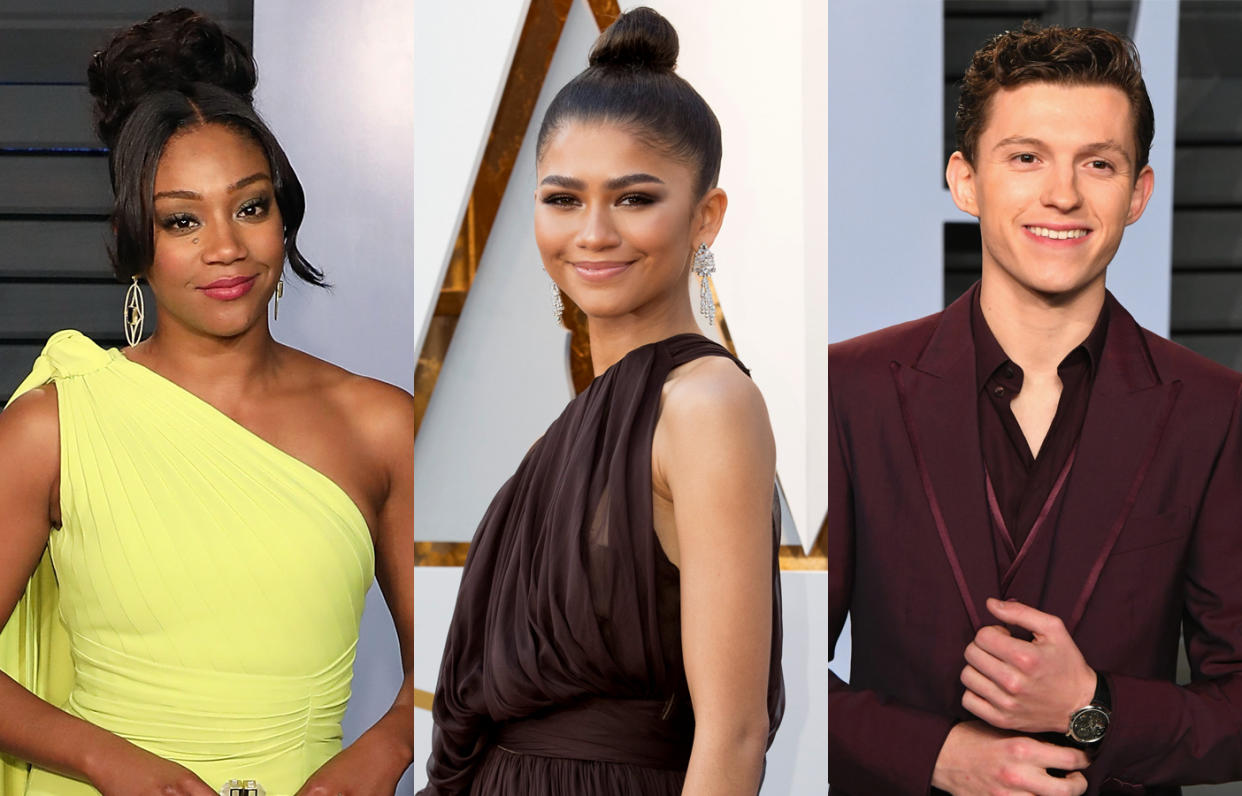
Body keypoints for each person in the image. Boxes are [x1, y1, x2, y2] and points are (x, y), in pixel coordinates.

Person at [0, 9, 413, 796]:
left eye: (250, 207)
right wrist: (105, 758)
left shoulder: (380, 424)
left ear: (282, 220)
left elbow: (457, 662)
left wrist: (380, 754)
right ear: (134, 242)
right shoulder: (54, 426)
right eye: (181, 220)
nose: (224, 246)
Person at [829, 21, 1242, 796]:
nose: (1063, 193)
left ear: (1139, 193)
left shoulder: (1214, 413)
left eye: (1099, 163)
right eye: (1026, 158)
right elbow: (771, 676)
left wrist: (1093, 708)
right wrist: (939, 756)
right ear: (965, 180)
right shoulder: (850, 389)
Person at [419, 7, 784, 796]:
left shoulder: (707, 404)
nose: (592, 233)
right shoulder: (582, 418)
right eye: (562, 199)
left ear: (705, 217)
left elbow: (736, 731)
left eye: (633, 198)